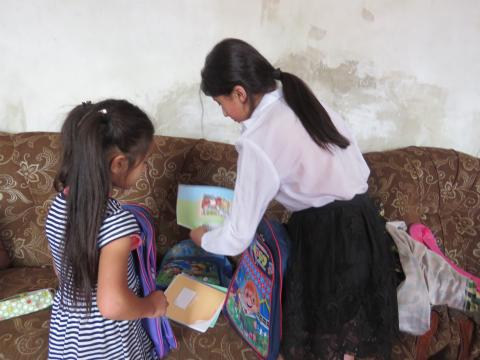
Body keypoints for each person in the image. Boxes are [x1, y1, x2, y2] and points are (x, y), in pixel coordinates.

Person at [190, 38, 400, 360]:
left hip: (326, 243)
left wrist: (203, 237)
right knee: (350, 346)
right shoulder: (303, 100)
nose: (224, 114)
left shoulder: (259, 140)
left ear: (239, 93)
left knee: (326, 346)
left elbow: (236, 238)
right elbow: (360, 168)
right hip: (366, 226)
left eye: (222, 104)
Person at [46, 99, 168, 359]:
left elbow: (62, 270)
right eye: (144, 162)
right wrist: (152, 306)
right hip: (109, 341)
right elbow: (112, 305)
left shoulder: (58, 205)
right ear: (119, 164)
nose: (145, 169)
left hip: (67, 332)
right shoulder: (118, 223)